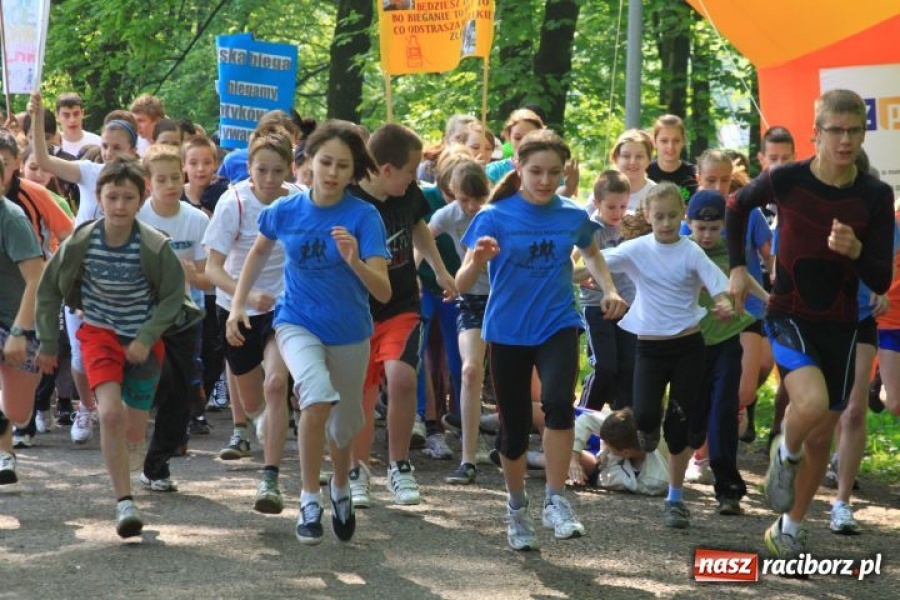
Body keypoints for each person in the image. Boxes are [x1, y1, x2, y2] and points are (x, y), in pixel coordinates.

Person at [725, 89, 894, 559]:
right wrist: (738, 268)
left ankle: (791, 525)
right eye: (835, 130)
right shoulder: (787, 179)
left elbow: (881, 275)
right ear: (816, 134)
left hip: (844, 322)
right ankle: (786, 449)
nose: (844, 140)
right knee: (812, 405)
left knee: (825, 431)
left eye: (853, 131)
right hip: (790, 312)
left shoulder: (874, 196)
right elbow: (736, 206)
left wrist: (857, 251)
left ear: (863, 134)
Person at [456, 129, 627, 550]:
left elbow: (591, 252)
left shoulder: (571, 215)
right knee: (513, 429)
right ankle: (517, 509)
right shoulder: (493, 216)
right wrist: (478, 260)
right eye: (535, 171)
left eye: (553, 172)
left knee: (557, 403)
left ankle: (556, 500)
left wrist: (608, 288)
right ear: (518, 167)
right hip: (508, 331)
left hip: (557, 324)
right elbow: (462, 283)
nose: (545, 181)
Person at [227, 120, 390, 545]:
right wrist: (237, 305)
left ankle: (339, 486)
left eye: (342, 166)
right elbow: (257, 253)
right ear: (308, 163)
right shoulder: (284, 211)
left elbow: (384, 290)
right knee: (314, 396)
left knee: (344, 425)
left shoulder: (363, 215)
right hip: (295, 320)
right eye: (325, 162)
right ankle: (308, 498)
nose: (332, 173)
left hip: (350, 331)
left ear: (354, 172)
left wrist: (354, 260)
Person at [35, 160, 202, 538]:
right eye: (112, 197)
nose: (120, 205)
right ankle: (124, 502)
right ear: (99, 197)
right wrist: (47, 341)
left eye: (129, 197)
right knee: (109, 415)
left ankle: (132, 468)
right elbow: (48, 290)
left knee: (132, 431)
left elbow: (175, 295)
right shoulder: (82, 241)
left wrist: (146, 337)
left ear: (142, 198)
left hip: (144, 340)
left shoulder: (153, 244)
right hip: (99, 335)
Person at [602, 182, 734, 529]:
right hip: (649, 347)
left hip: (688, 347)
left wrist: (722, 303)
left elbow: (719, 286)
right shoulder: (637, 248)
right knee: (645, 416)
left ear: (683, 216)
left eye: (673, 216)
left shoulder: (691, 251)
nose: (665, 223)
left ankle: (675, 498)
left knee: (678, 428)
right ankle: (650, 431)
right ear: (647, 216)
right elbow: (595, 262)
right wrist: (568, 271)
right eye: (658, 216)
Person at [347, 123, 456, 508]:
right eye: (411, 171)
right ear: (387, 169)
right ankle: (357, 469)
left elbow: (419, 229)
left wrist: (441, 271)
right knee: (363, 390)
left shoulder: (410, 196)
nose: (415, 179)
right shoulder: (350, 200)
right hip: (358, 311)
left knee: (403, 378)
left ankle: (399, 465)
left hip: (402, 304)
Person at [29, 92, 141, 445]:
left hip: (122, 281)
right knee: (79, 357)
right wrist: (36, 117)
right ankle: (86, 407)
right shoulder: (90, 172)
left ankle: (119, 408)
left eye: (117, 147)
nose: (109, 154)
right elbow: (44, 158)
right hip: (81, 278)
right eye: (105, 146)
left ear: (133, 150)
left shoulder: (140, 183)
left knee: (122, 350)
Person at [203, 130, 299, 513]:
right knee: (254, 400)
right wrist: (244, 297)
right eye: (262, 170)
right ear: (250, 169)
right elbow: (212, 268)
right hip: (236, 308)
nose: (270, 179)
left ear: (290, 169)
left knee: (277, 385)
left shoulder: (298, 199)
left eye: (278, 171)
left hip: (284, 307)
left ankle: (270, 477)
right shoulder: (234, 203)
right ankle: (261, 424)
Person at [137, 144, 211, 490]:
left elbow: (207, 275)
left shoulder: (196, 219)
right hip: (144, 315)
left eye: (174, 177)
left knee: (181, 390)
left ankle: (157, 464)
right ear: (148, 183)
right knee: (159, 381)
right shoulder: (137, 218)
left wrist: (183, 271)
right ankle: (134, 442)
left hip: (185, 316)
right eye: (161, 179)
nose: (170, 184)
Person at [686, 190, 765, 515]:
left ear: (724, 227)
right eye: (700, 228)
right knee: (691, 419)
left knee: (723, 411)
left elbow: (747, 282)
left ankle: (728, 489)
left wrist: (770, 303)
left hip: (728, 342)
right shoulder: (681, 251)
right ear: (688, 223)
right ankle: (672, 481)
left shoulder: (734, 255)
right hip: (689, 345)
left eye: (714, 228)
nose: (707, 235)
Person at [427, 155, 491, 484]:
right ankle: (468, 458)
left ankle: (507, 438)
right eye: (463, 199)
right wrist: (435, 272)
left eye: (477, 199)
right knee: (469, 370)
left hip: (508, 300)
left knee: (513, 378)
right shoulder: (448, 215)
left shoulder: (497, 213)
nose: (470, 207)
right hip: (470, 298)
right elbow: (421, 236)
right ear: (451, 193)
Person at [573, 170, 637, 412]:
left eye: (623, 206)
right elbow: (571, 265)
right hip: (597, 307)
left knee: (629, 366)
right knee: (606, 366)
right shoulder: (589, 228)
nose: (618, 213)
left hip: (628, 306)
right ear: (597, 203)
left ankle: (622, 423)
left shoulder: (631, 225)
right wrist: (585, 276)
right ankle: (586, 414)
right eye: (611, 207)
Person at [0, 159, 45, 486]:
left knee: (17, 413)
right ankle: (4, 454)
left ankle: (6, 444)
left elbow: (36, 279)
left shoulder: (12, 219)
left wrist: (18, 332)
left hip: (17, 321)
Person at [568, 408, 668, 496]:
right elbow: (585, 420)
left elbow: (608, 480)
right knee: (565, 453)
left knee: (559, 458)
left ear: (626, 453)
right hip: (606, 463)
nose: (607, 446)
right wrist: (574, 458)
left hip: (604, 471)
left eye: (609, 445)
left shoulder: (653, 481)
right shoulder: (625, 423)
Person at [646, 114, 697, 201]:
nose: (671, 146)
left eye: (676, 141)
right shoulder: (645, 173)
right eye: (664, 141)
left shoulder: (694, 174)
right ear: (654, 142)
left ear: (683, 141)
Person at [609, 130, 656, 214]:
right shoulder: (603, 190)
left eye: (639, 156)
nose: (633, 162)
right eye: (626, 156)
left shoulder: (657, 194)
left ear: (649, 160)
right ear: (616, 158)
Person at [56, 92, 101, 157]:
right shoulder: (53, 146)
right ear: (57, 116)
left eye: (76, 114)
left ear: (82, 113)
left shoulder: (98, 143)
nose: (72, 120)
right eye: (66, 115)